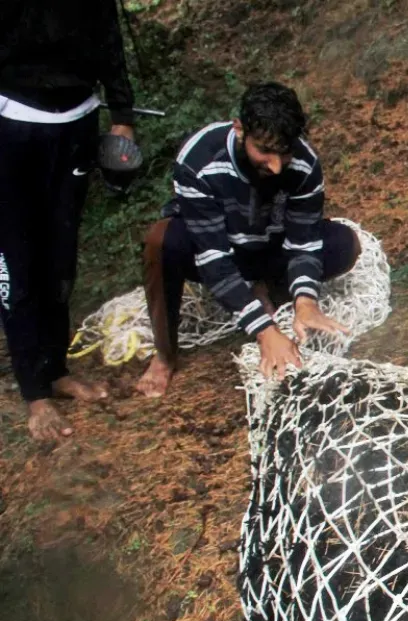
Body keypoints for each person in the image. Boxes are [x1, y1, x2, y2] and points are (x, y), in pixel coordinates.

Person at [137, 82, 359, 397]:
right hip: (219, 248)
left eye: (284, 152)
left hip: (271, 248)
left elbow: (304, 241)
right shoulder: (199, 158)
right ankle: (164, 355)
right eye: (265, 151)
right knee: (161, 242)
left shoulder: (305, 164)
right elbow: (213, 258)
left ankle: (270, 290)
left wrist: (307, 299)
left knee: (344, 243)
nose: (276, 165)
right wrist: (265, 330)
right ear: (240, 129)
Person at [0, 0, 137, 440]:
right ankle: (35, 394)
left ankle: (55, 370)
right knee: (17, 260)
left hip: (77, 117)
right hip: (12, 118)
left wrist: (122, 116)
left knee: (61, 258)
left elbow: (107, 33)